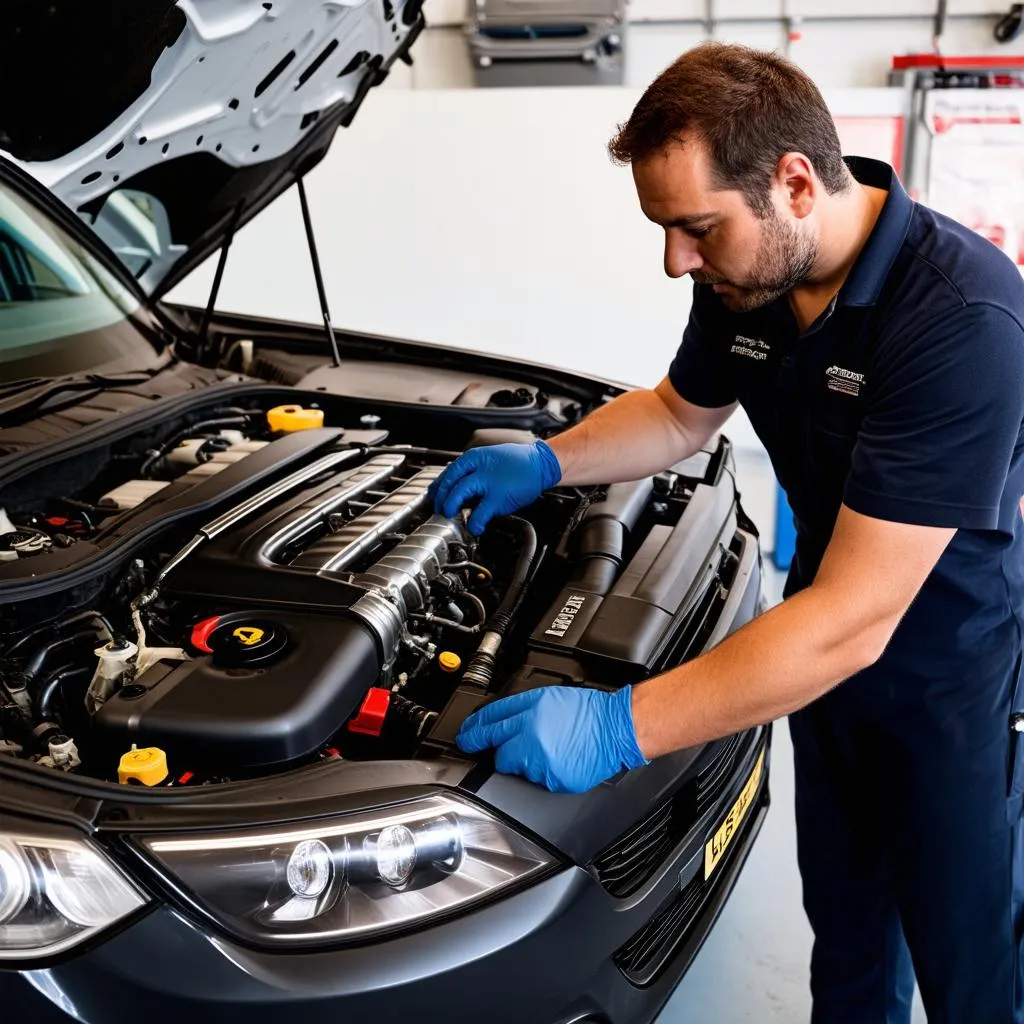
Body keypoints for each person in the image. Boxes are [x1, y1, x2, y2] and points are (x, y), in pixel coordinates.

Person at [428, 40, 1024, 1024]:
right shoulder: (743, 282)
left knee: (968, 959)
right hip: (817, 669)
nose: (676, 261)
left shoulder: (960, 315)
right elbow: (676, 413)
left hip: (943, 683)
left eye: (695, 228)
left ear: (794, 182)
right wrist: (547, 460)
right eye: (667, 232)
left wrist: (621, 725)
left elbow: (856, 618)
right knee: (846, 939)